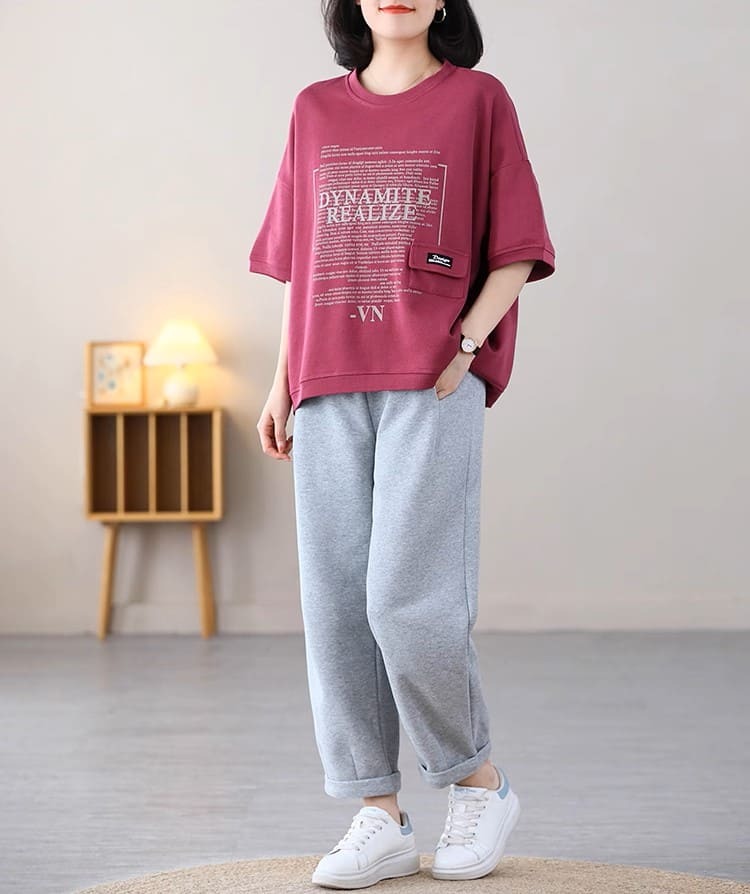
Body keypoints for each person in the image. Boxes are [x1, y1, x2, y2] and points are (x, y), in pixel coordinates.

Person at [248, 0, 556, 887]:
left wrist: (467, 346)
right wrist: (281, 379)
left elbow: (518, 244)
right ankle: (377, 812)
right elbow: (300, 259)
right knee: (337, 607)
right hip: (326, 377)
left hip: (432, 380)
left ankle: (478, 782)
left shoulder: (478, 100)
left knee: (406, 603)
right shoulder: (314, 109)